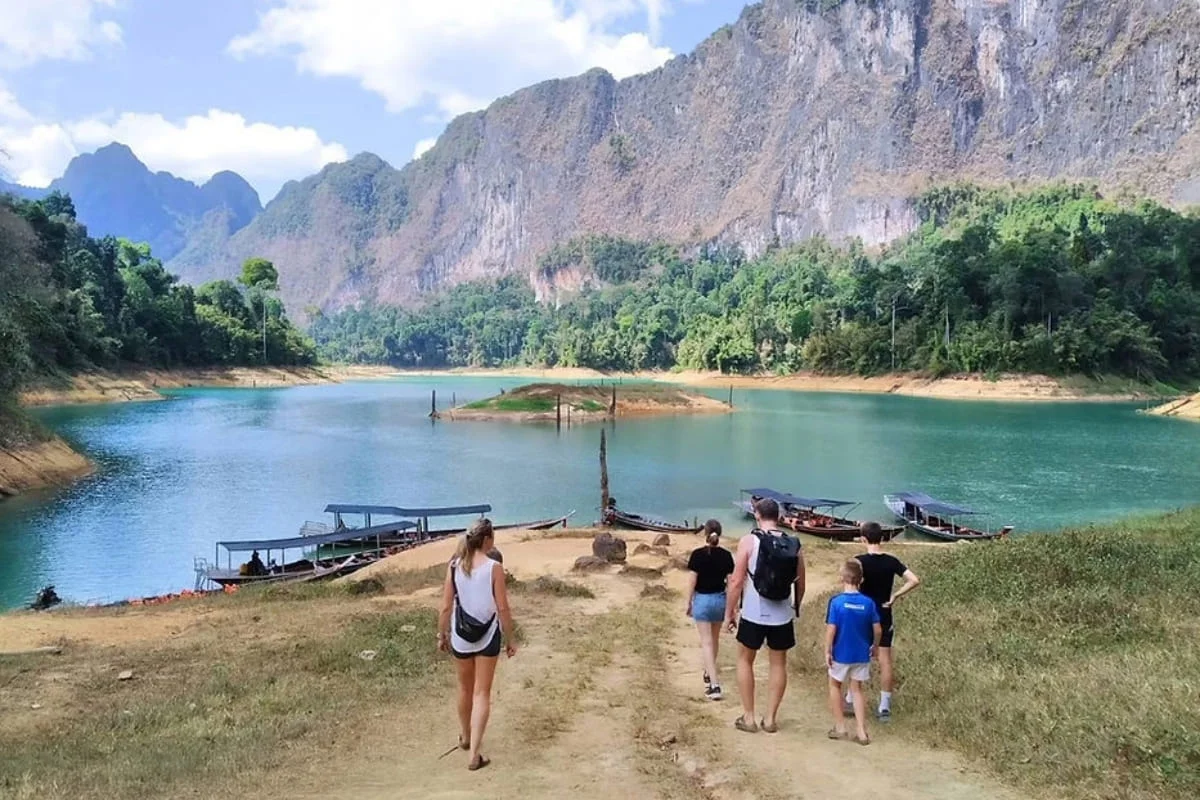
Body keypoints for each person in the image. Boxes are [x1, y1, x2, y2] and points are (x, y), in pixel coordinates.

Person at [437, 519, 517, 771]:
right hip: (488, 635)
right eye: (492, 537)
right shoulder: (494, 568)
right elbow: (502, 606)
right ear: (486, 540)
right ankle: (474, 754)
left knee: (464, 688)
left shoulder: (454, 566)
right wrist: (510, 638)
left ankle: (466, 736)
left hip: (461, 635)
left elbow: (446, 606)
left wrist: (442, 635)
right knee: (482, 692)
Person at [724, 497, 805, 733]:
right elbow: (801, 582)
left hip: (753, 612)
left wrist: (730, 612)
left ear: (757, 515)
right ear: (779, 517)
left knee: (744, 660)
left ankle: (749, 717)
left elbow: (737, 580)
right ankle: (770, 719)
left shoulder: (749, 541)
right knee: (778, 664)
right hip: (782, 613)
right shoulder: (793, 545)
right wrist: (795, 606)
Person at [852, 521, 921, 720]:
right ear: (882, 538)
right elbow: (914, 580)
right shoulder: (892, 561)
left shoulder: (858, 561)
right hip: (884, 612)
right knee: (885, 660)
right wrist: (895, 596)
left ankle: (851, 697)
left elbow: (850, 584)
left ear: (863, 539)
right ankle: (884, 706)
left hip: (862, 613)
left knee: (858, 656)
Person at [826, 559, 882, 745]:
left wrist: (828, 650)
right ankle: (861, 730)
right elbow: (878, 629)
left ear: (841, 578)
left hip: (841, 653)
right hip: (861, 654)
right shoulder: (868, 603)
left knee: (835, 685)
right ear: (861, 579)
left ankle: (841, 727)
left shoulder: (836, 602)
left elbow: (831, 629)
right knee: (857, 689)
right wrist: (875, 646)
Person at [686, 519, 734, 701]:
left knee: (706, 642)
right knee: (714, 640)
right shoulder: (726, 556)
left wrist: (688, 602)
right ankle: (708, 670)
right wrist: (732, 608)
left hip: (703, 601)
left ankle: (714, 685)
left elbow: (692, 581)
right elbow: (731, 583)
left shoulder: (697, 555)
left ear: (705, 533)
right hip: (720, 600)